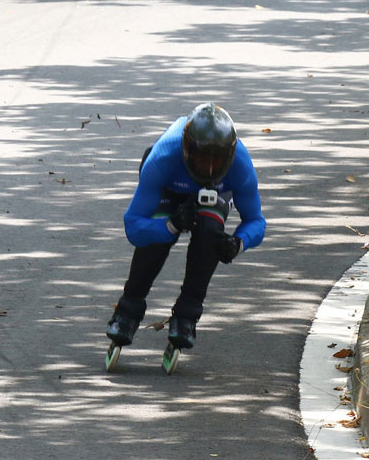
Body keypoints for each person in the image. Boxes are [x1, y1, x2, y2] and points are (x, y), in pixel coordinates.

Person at [106, 103, 266, 351]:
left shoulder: (241, 166)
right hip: (171, 186)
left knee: (210, 235)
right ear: (186, 150)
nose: (210, 169)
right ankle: (127, 309)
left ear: (231, 156)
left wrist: (238, 243)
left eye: (218, 161)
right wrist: (171, 225)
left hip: (215, 194)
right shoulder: (162, 158)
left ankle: (187, 316)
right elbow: (134, 225)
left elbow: (256, 221)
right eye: (202, 159)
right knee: (156, 237)